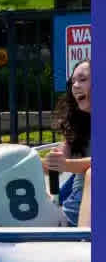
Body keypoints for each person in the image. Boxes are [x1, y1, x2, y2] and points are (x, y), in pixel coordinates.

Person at [43, 60, 92, 228]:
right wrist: (52, 162)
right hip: (74, 208)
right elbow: (60, 158)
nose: (76, 86)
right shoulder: (80, 124)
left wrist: (66, 164)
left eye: (83, 79)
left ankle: (84, 241)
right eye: (73, 82)